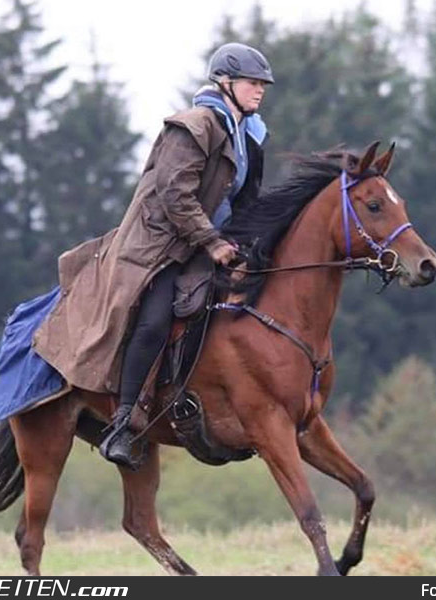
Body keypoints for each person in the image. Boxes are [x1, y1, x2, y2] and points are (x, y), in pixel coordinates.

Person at [97, 42, 274, 469]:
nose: (260, 90)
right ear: (225, 83)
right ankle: (123, 421)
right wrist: (212, 241)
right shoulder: (192, 126)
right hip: (163, 247)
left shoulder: (250, 136)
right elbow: (175, 195)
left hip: (210, 244)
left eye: (263, 84)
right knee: (157, 318)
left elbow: (247, 203)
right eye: (253, 83)